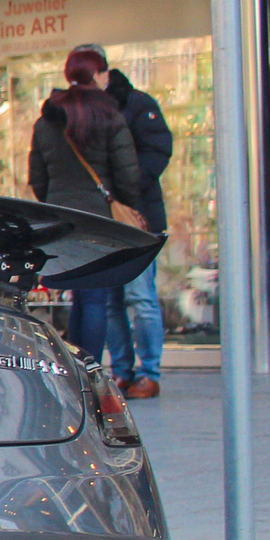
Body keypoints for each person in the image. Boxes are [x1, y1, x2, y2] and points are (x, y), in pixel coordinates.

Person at [29, 47, 142, 366]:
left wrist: (53, 205)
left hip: (60, 220)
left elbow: (37, 178)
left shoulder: (46, 121)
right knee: (95, 296)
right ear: (96, 75)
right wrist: (125, 205)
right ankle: (89, 371)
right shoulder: (108, 115)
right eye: (104, 71)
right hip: (99, 220)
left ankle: (74, 368)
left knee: (79, 293)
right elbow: (128, 172)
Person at [82, 45, 173, 400]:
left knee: (140, 296)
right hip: (103, 218)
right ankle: (122, 371)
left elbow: (158, 150)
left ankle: (149, 373)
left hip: (137, 216)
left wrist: (128, 189)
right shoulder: (87, 110)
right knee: (110, 301)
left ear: (104, 73)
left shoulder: (137, 103)